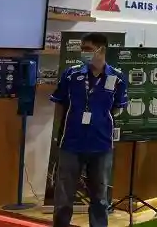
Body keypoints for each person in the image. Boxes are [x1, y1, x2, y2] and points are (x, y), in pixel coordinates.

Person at [50, 32, 128, 227]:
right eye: (82, 49)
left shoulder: (117, 77)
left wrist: (100, 118)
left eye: (88, 49)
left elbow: (117, 107)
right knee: (64, 195)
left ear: (101, 50)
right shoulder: (71, 74)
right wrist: (61, 129)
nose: (84, 52)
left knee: (100, 196)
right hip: (71, 142)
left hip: (101, 143)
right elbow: (59, 104)